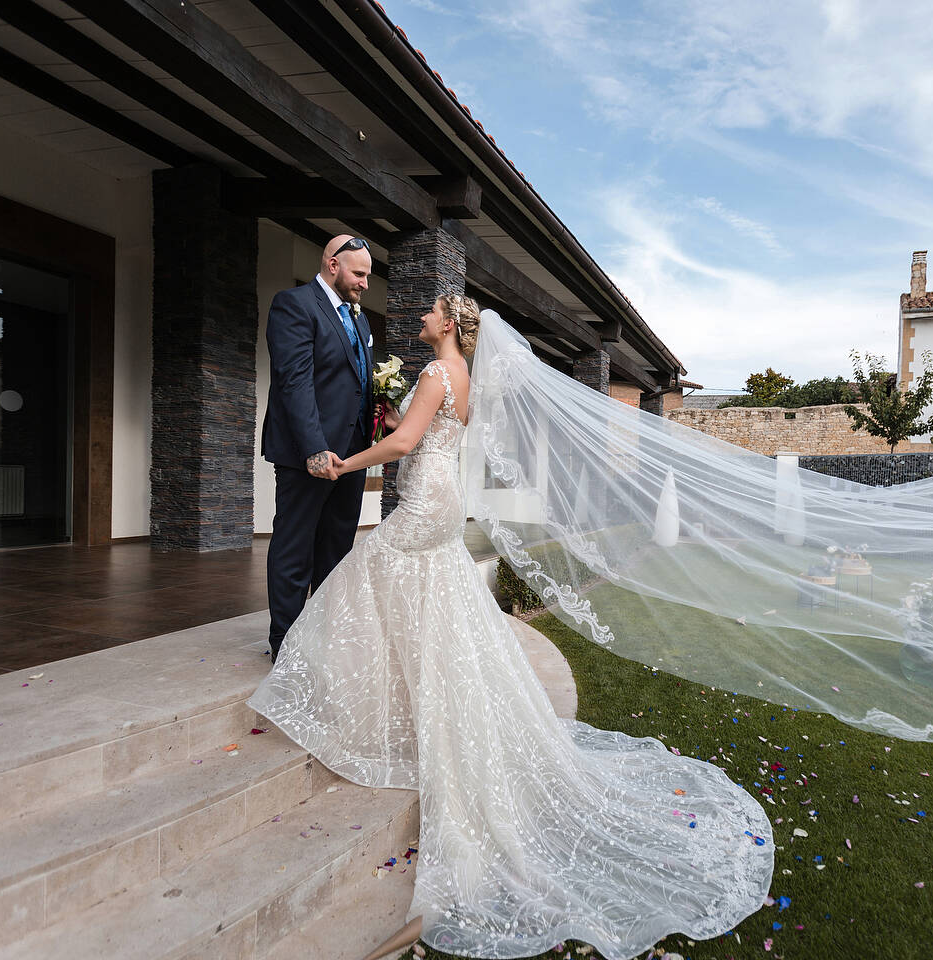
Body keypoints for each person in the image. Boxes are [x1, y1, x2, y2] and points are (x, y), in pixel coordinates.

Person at [248, 294, 775, 960]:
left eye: (432, 311)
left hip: (424, 497)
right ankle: (397, 696)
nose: (422, 315)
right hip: (444, 502)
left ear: (449, 327)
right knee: (426, 594)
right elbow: (428, 437)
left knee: (369, 567)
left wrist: (345, 463)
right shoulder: (464, 380)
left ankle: (342, 694)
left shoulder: (439, 375)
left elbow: (408, 441)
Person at [259, 235, 374, 663]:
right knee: (295, 546)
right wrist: (315, 448)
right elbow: (295, 383)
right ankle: (286, 646)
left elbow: (360, 381)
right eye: (358, 273)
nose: (364, 283)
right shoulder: (295, 305)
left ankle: (321, 637)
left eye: (367, 275)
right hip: (308, 454)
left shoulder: (359, 320)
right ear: (331, 264)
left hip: (352, 455)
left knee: (336, 548)